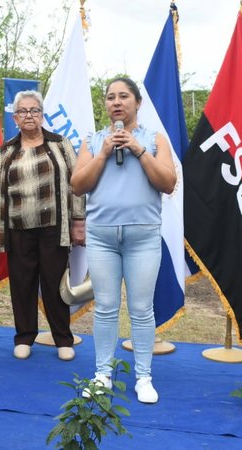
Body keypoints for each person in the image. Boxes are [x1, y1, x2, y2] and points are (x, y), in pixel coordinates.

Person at [70, 77, 177, 404]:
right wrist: (103, 153)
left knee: (142, 309)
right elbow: (78, 185)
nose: (116, 102)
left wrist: (139, 150)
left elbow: (168, 183)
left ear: (137, 102)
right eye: (111, 97)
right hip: (102, 237)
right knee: (105, 307)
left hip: (142, 237)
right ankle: (102, 374)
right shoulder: (93, 140)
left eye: (124, 96)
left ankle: (143, 377)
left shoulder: (155, 139)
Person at [0, 91, 85, 361]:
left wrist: (78, 222)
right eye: (23, 111)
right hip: (17, 227)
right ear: (15, 118)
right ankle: (24, 337)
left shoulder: (60, 144)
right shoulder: (6, 150)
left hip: (54, 226)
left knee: (54, 284)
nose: (29, 116)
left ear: (42, 115)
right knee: (22, 284)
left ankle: (62, 338)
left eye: (35, 110)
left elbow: (76, 185)